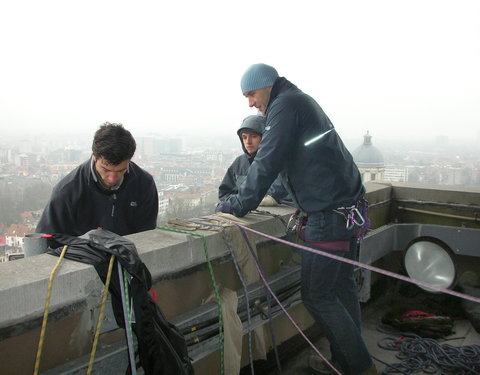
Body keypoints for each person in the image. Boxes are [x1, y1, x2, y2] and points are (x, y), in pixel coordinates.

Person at [216, 64, 376, 375]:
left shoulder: (285, 105)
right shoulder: (299, 102)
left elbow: (266, 161)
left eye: (251, 94)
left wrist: (236, 204)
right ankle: (347, 363)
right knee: (341, 288)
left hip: (329, 217)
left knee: (317, 295)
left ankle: (359, 367)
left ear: (267, 86)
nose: (250, 103)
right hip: (347, 213)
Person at [37, 122, 159, 239]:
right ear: (94, 156)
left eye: (121, 170)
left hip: (129, 256)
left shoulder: (144, 184)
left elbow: (146, 235)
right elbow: (46, 239)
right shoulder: (68, 191)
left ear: (130, 159)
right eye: (105, 169)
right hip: (80, 258)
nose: (112, 179)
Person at [218, 114, 291, 207]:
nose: (248, 142)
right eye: (244, 137)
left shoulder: (279, 161)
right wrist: (236, 204)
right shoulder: (239, 163)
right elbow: (224, 193)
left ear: (265, 137)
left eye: (253, 136)